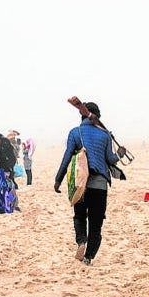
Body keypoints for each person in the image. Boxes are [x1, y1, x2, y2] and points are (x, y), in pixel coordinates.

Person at [54, 101, 120, 266]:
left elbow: (67, 157)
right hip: (100, 185)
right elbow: (110, 160)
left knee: (80, 216)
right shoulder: (105, 135)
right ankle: (88, 257)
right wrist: (119, 154)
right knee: (96, 223)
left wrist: (58, 179)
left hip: (80, 184)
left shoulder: (75, 133)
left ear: (82, 114)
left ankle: (81, 241)